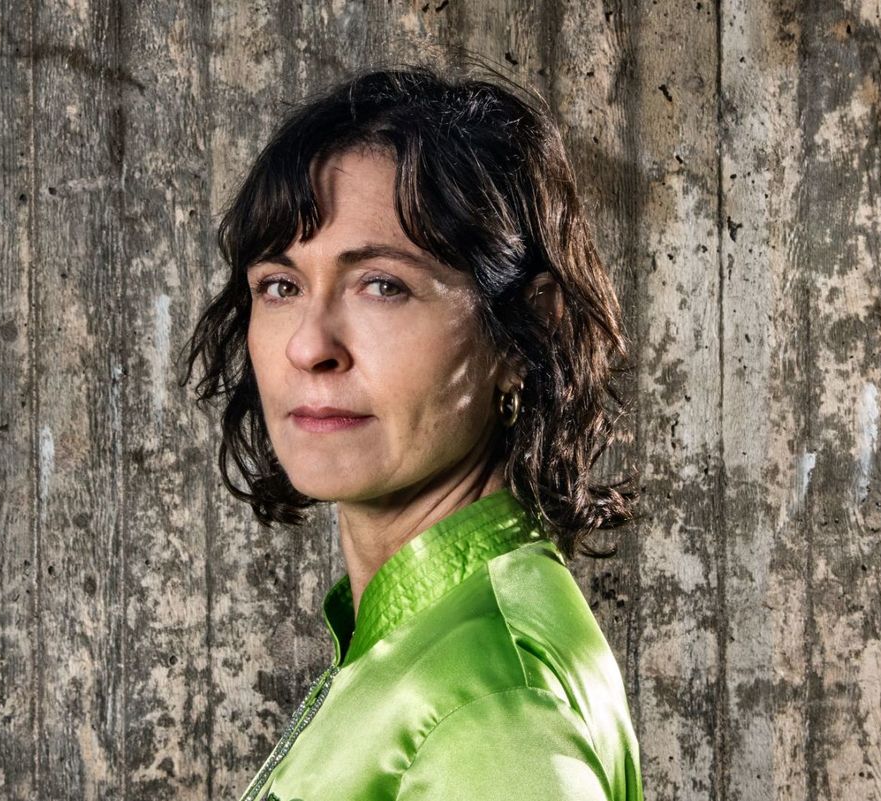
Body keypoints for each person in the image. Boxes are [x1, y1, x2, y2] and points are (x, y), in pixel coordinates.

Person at [179, 58, 644, 801]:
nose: (309, 345)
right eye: (281, 286)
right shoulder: (416, 641)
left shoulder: (494, 707)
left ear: (523, 334)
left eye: (382, 285)